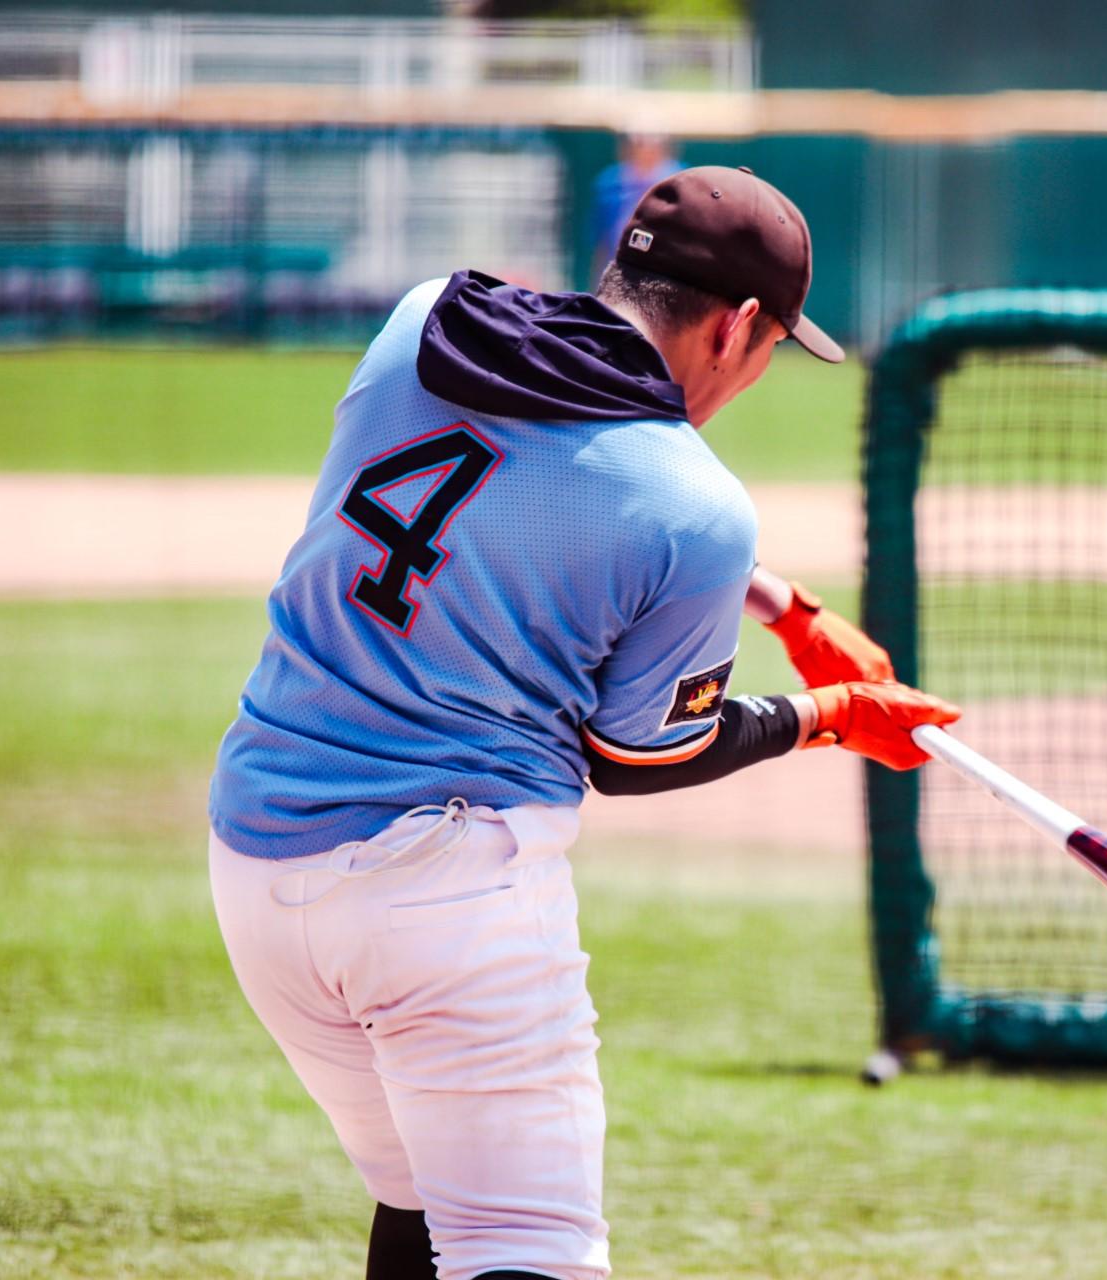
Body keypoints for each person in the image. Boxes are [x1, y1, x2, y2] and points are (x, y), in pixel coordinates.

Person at [207, 166, 958, 1280]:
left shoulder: (427, 321)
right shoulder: (693, 505)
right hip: (444, 900)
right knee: (527, 1249)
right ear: (738, 325)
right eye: (769, 346)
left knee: (421, 1200)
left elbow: (525, 481)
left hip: (258, 861)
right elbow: (641, 756)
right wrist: (831, 715)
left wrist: (786, 607)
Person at [589, 132, 682, 284]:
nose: (647, 150)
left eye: (653, 143)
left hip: (663, 273)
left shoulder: (680, 182)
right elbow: (602, 244)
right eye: (640, 143)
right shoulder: (610, 183)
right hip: (619, 270)